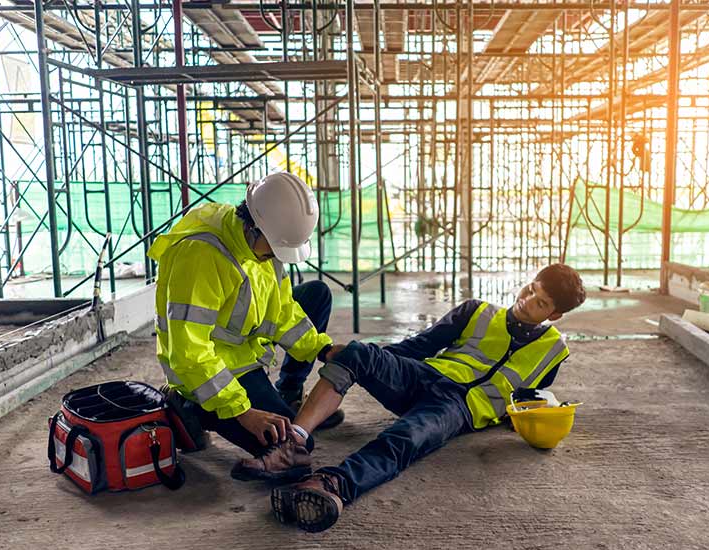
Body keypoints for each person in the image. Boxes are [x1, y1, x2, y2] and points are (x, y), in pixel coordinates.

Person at [235, 263, 587, 532]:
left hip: (457, 410)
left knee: (405, 439)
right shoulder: (476, 312)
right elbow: (417, 347)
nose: (526, 300)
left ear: (554, 315)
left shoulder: (554, 350)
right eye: (530, 288)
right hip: (425, 378)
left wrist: (534, 419)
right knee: (358, 353)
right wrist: (372, 360)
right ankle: (294, 443)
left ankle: (331, 485)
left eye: (539, 302)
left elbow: (528, 394)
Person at [148, 171, 343, 481]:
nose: (274, 259)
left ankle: (287, 392)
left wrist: (322, 349)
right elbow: (188, 352)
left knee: (316, 294)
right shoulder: (201, 256)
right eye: (273, 249)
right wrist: (242, 411)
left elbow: (281, 311)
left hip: (245, 356)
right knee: (290, 448)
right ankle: (190, 406)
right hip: (207, 372)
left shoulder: (263, 243)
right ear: (253, 227)